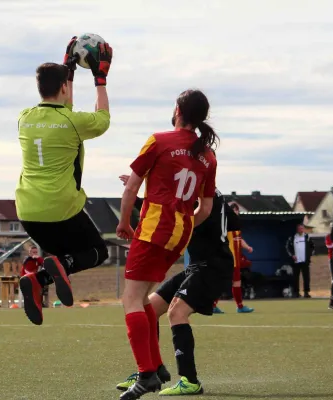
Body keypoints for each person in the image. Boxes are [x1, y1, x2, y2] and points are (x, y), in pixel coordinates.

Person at [115, 89, 218, 399]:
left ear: (177, 110)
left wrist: (124, 223)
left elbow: (132, 186)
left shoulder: (159, 140)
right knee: (143, 300)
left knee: (130, 300)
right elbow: (206, 209)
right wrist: (183, 224)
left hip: (152, 229)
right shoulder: (208, 155)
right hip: (180, 233)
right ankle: (157, 367)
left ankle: (146, 374)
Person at [16, 37, 113, 326]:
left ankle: (36, 281)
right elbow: (103, 119)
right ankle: (54, 269)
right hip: (61, 208)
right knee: (97, 252)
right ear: (63, 88)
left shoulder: (24, 118)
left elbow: (62, 109)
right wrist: (100, 79)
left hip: (28, 212)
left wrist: (67, 71)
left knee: (63, 255)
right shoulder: (73, 122)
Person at [116, 188, 235, 396]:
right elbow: (234, 222)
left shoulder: (198, 194)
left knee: (176, 313)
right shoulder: (212, 194)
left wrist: (136, 200)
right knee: (149, 307)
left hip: (213, 267)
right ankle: (150, 371)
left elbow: (172, 217)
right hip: (198, 266)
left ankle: (190, 380)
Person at [212, 203, 255, 313]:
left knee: (236, 283)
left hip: (235, 260)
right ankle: (213, 305)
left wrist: (247, 247)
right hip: (227, 258)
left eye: (237, 210)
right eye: (234, 210)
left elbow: (239, 239)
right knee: (223, 282)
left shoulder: (236, 225)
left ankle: (240, 307)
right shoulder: (225, 225)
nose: (236, 212)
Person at [285, 223, 315, 298]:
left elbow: (312, 247)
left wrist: (309, 255)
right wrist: (292, 255)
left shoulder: (307, 237)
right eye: (299, 228)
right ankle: (296, 292)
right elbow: (288, 247)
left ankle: (306, 292)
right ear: (297, 229)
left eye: (302, 228)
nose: (301, 230)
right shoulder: (292, 238)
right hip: (296, 262)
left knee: (306, 277)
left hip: (305, 261)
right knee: (295, 277)